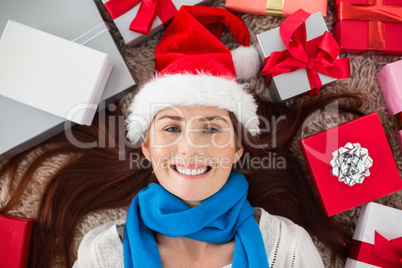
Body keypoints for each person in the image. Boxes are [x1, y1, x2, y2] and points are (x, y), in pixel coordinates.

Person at [0, 5, 363, 268]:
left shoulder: (286, 249)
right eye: (171, 128)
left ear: (238, 149)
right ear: (146, 146)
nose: (191, 147)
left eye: (211, 128)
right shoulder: (103, 254)